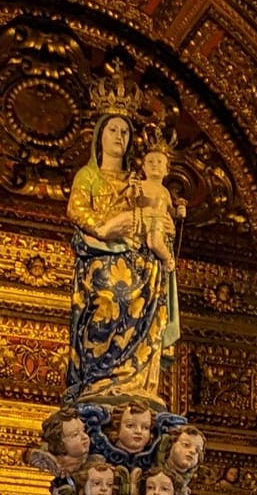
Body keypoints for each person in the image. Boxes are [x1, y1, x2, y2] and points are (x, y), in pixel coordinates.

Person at [64, 107, 179, 402]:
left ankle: (135, 381)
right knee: (108, 302)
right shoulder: (88, 176)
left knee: (144, 310)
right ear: (99, 135)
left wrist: (165, 221)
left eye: (125, 132)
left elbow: (152, 211)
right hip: (101, 258)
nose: (119, 136)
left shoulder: (137, 181)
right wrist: (103, 230)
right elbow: (77, 212)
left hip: (140, 261)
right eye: (113, 130)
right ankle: (99, 379)